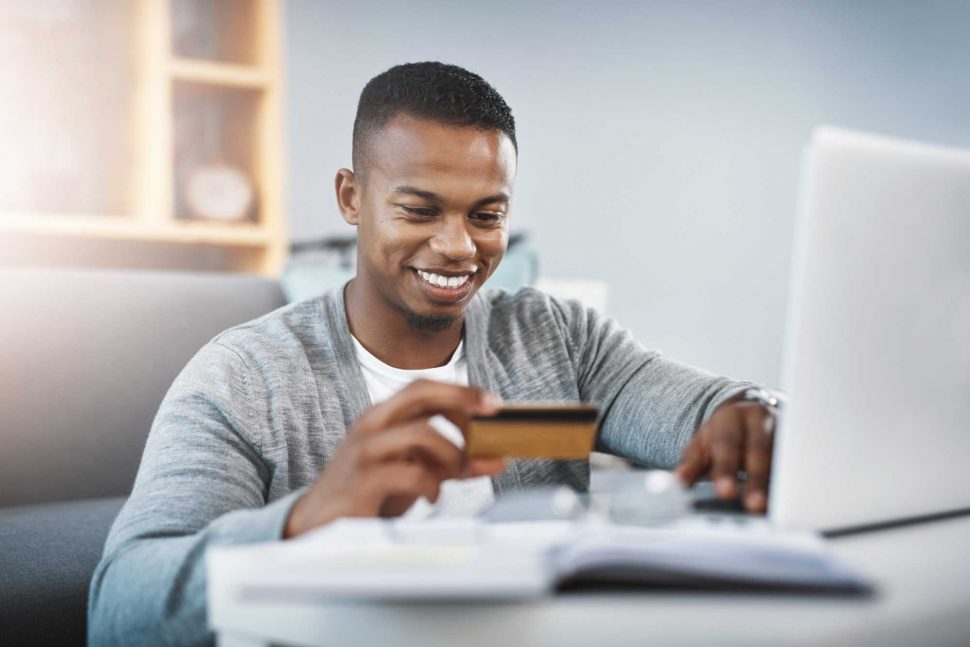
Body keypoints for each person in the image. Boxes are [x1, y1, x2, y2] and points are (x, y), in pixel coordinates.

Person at [88, 62, 776, 646]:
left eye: (487, 215)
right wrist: (306, 519)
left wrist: (747, 412)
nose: (459, 247)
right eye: (420, 210)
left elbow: (706, 411)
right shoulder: (246, 377)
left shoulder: (554, 340)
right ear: (352, 198)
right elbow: (118, 604)